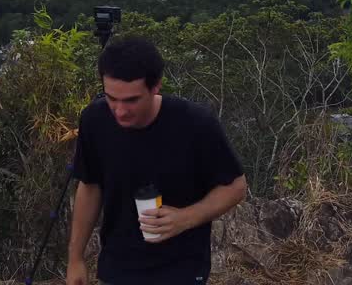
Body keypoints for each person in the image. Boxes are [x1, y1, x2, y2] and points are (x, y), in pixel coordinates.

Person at [66, 36, 247, 285]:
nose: (119, 110)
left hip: (181, 266)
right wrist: (75, 259)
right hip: (118, 265)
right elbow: (90, 186)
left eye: (131, 100)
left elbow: (235, 186)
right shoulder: (94, 120)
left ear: (156, 86)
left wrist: (185, 218)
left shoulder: (195, 123)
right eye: (111, 98)